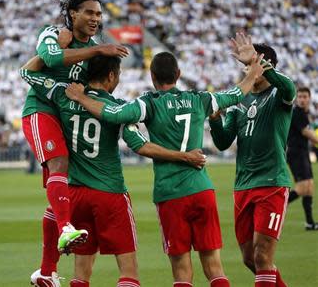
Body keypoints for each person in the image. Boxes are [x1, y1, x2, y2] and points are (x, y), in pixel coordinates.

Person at [64, 50, 269, 287]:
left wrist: (81, 98)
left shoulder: (148, 104)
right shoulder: (199, 99)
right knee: (214, 267)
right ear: (179, 74)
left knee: (182, 271)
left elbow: (114, 114)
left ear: (152, 76)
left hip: (170, 194)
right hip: (202, 190)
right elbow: (234, 94)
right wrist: (253, 72)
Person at [21, 54, 206, 287]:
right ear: (111, 75)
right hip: (110, 193)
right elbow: (140, 145)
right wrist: (183, 156)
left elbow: (27, 72)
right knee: (128, 271)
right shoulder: (118, 108)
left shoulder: (64, 95)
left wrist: (49, 48)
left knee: (80, 275)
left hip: (75, 194)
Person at [21, 0, 130, 284]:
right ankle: (66, 229)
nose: (96, 19)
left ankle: (46, 272)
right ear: (73, 14)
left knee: (63, 193)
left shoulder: (96, 49)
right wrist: (98, 50)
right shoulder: (54, 33)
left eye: (99, 14)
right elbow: (48, 57)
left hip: (66, 117)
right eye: (90, 13)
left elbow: (96, 87)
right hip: (40, 110)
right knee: (59, 165)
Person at [209, 32, 294, 287]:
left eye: (250, 65)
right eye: (245, 65)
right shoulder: (241, 100)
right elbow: (223, 142)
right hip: (243, 185)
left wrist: (260, 64)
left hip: (272, 183)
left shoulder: (279, 95)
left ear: (265, 66)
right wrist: (214, 121)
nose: (247, 70)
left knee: (262, 255)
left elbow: (290, 87)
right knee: (250, 258)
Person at [286, 87, 318, 230]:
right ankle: (277, 206)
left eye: (305, 97)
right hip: (296, 153)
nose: (302, 99)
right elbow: (307, 133)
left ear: (309, 98)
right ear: (296, 99)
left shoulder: (304, 114)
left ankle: (310, 223)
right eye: (300, 97)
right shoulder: (297, 113)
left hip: (303, 153)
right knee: (302, 187)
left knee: (310, 186)